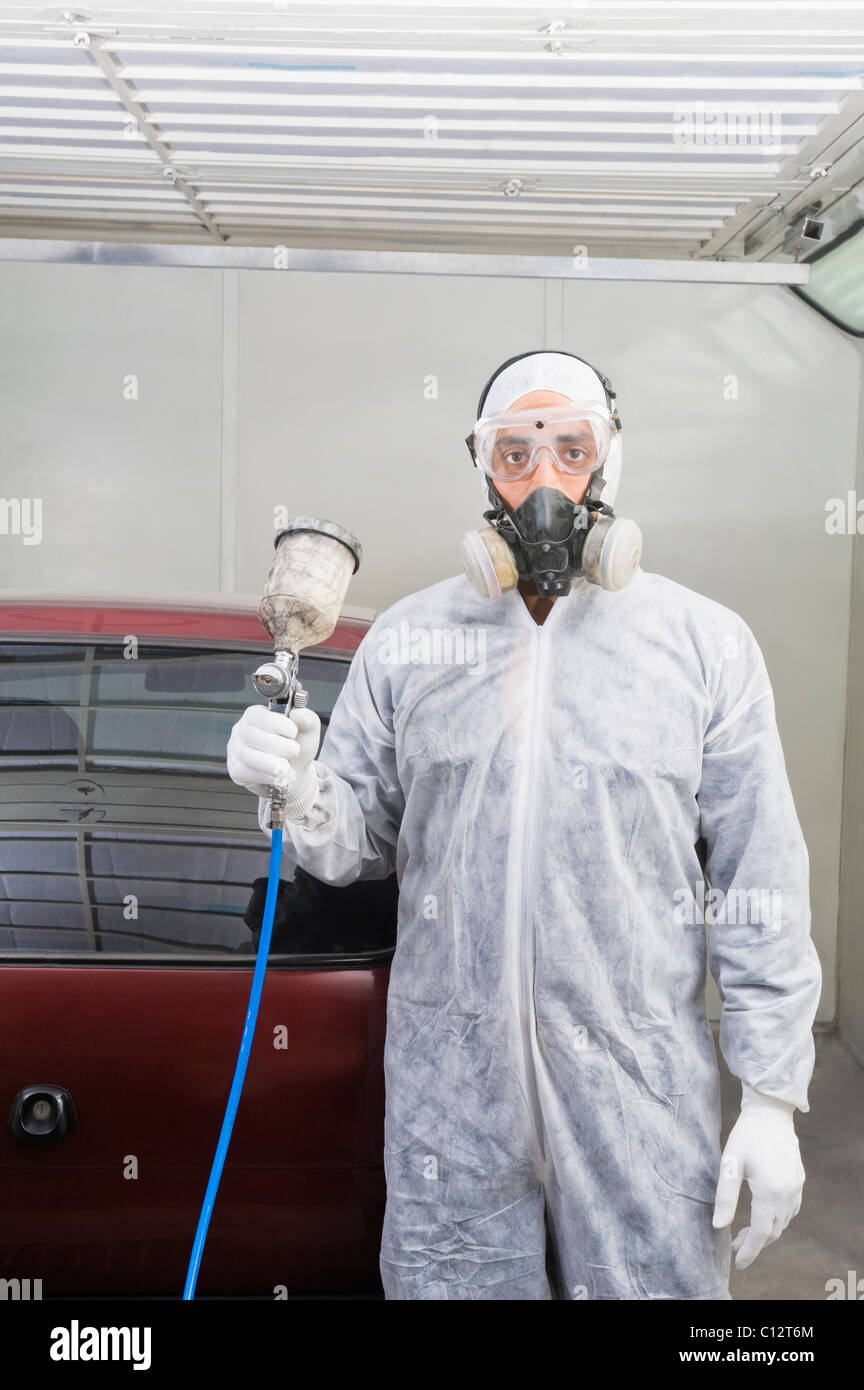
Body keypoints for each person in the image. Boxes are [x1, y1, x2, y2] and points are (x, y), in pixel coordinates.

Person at [227, 350, 822, 1300]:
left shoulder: (704, 647)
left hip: (640, 1099)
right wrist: (293, 787)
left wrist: (771, 1098)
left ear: (610, 463)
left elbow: (760, 885)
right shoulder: (412, 643)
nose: (546, 483)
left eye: (571, 450)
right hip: (450, 1111)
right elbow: (351, 849)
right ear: (482, 470)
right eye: (515, 454)